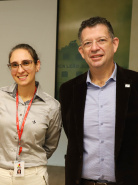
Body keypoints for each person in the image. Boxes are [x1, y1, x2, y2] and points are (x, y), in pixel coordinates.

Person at [59, 16, 138, 185]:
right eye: (88, 43)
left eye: (101, 40)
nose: (94, 48)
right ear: (81, 51)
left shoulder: (136, 84)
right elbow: (73, 138)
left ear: (114, 44)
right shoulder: (68, 91)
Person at [0, 43, 62, 185]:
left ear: (37, 65)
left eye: (26, 63)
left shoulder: (52, 106)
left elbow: (50, 145)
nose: (20, 70)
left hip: (33, 175)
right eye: (14, 65)